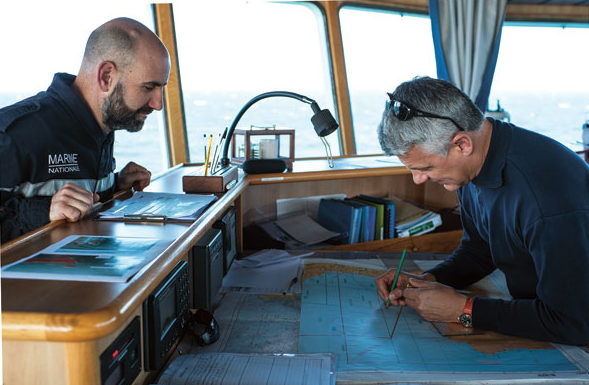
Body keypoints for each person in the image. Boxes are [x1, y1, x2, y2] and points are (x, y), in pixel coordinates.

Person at [375, 76, 589, 345]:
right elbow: (482, 248)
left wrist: (463, 311)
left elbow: (573, 322)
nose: (418, 180)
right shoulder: (470, 167)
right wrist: (427, 281)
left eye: (425, 168)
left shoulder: (545, 196)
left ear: (462, 144)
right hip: (538, 315)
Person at [0, 18, 170, 243]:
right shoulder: (13, 134)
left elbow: (76, 198)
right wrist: (43, 211)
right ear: (106, 77)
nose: (158, 104)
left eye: (161, 88)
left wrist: (115, 187)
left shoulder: (105, 124)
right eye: (149, 87)